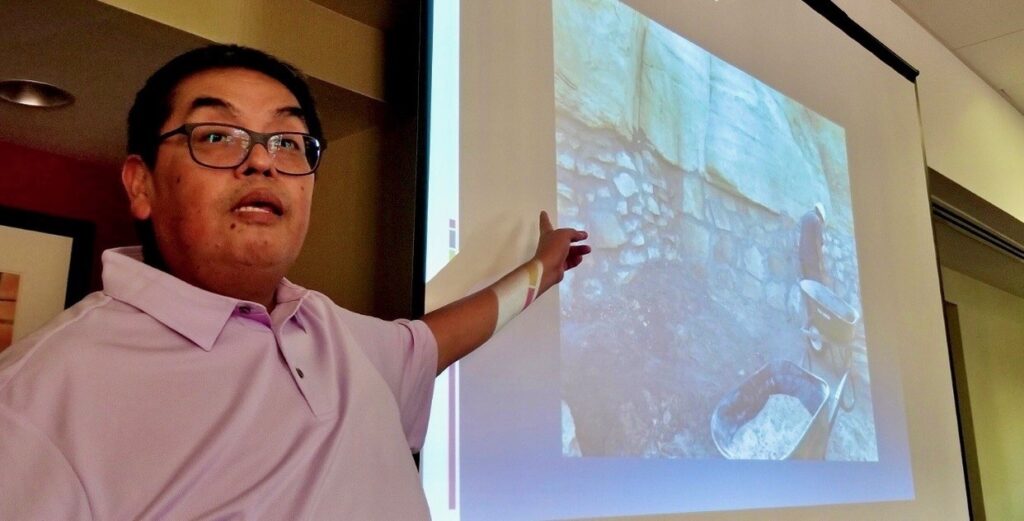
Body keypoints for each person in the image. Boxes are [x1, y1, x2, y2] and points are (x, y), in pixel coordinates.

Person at [0, 45, 589, 520]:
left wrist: (542, 269)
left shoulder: (330, 330)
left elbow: (434, 341)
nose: (262, 162)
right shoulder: (34, 407)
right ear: (141, 185)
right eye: (216, 135)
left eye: (288, 141)